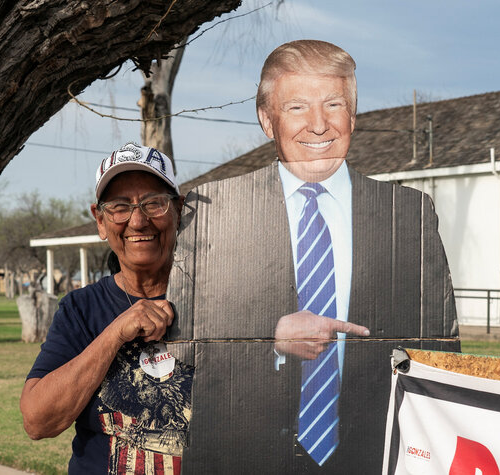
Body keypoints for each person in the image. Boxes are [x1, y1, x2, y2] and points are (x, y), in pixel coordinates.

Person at [166, 40, 459, 473]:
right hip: (239, 454)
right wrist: (269, 338)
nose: (319, 125)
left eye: (334, 104)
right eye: (298, 107)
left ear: (353, 116)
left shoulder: (410, 214)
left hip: (372, 456)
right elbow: (176, 346)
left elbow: (444, 354)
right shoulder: (212, 210)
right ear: (267, 120)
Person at [21, 142, 191, 475]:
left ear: (178, 211)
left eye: (154, 203)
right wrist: (114, 333)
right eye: (119, 207)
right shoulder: (80, 309)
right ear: (100, 221)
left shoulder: (215, 298)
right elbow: (37, 422)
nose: (138, 221)